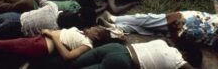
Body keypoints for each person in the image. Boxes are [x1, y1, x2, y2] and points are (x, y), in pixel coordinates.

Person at [97, 10, 218, 58]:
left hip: (192, 25)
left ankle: (115, 20)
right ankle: (115, 26)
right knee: (151, 26)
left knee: (149, 22)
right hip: (194, 21)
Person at [0, 26, 121, 67]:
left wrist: (51, 35)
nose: (92, 28)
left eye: (95, 29)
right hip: (37, 40)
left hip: (41, 45)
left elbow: (68, 56)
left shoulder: (87, 43)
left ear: (97, 36)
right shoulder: (81, 33)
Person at [72, 40, 202, 69]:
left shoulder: (163, 42)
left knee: (73, 64)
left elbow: (170, 41)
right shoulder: (177, 60)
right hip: (122, 62)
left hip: (115, 47)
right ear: (186, 56)